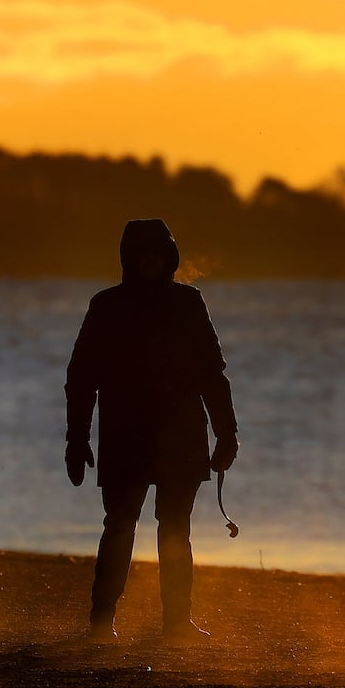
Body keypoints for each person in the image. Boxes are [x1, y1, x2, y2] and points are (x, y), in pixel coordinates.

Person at [64, 219, 238, 641]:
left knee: (176, 527)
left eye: (157, 254)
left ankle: (177, 624)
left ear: (170, 258)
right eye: (142, 254)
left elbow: (212, 374)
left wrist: (227, 433)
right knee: (120, 523)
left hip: (182, 436)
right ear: (128, 259)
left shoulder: (189, 304)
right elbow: (82, 377)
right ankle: (101, 622)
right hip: (125, 436)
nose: (150, 262)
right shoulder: (106, 306)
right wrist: (76, 438)